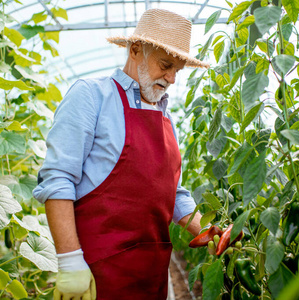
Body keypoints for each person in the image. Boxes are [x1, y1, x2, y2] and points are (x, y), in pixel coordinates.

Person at [32, 8, 209, 300]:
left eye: (177, 70)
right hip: (98, 272)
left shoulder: (165, 116)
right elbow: (58, 179)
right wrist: (69, 261)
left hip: (153, 273)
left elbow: (173, 194)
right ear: (136, 49)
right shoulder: (91, 96)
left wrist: (208, 230)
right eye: (166, 65)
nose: (172, 78)